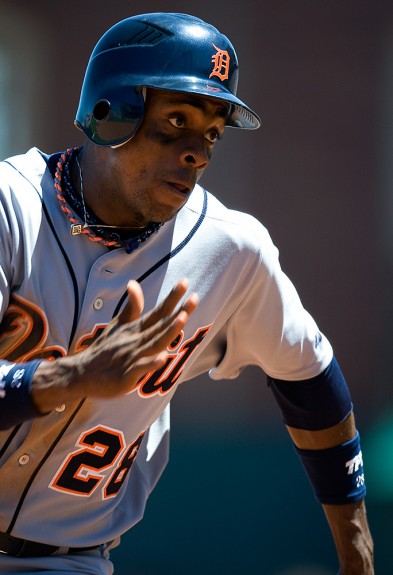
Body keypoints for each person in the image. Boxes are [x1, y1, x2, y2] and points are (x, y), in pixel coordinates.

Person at [0, 11, 373, 575]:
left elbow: (311, 376)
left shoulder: (231, 250)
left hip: (70, 562)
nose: (198, 152)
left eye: (213, 134)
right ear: (112, 112)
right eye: (177, 121)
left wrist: (357, 548)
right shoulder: (12, 207)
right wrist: (72, 377)